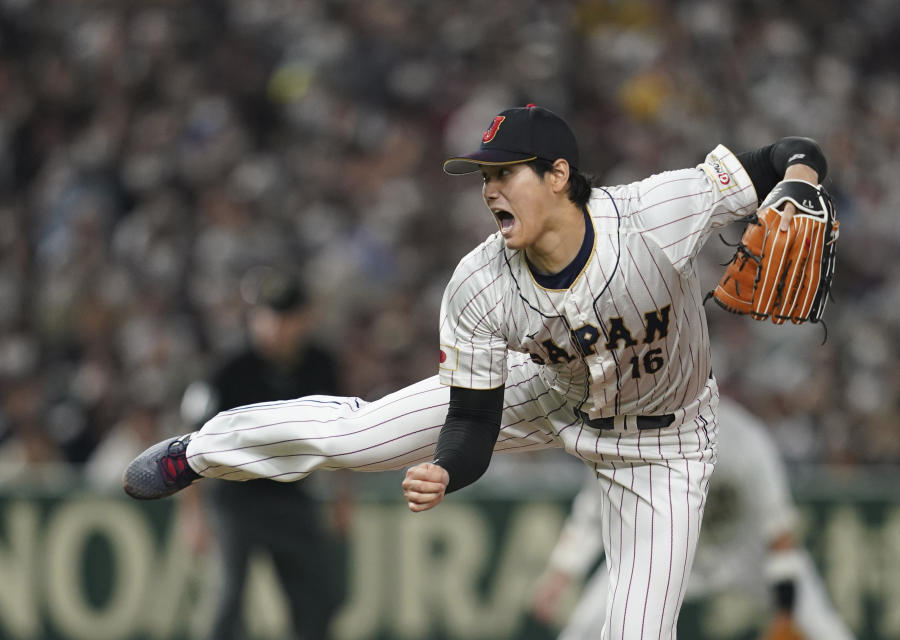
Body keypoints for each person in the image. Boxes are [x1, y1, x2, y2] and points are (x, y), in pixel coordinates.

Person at [123, 104, 830, 639]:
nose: (490, 189)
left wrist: (799, 180)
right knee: (355, 438)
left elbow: (792, 152)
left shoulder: (656, 212)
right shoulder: (478, 283)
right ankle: (203, 450)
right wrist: (448, 471)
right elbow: (470, 421)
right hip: (552, 395)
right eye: (484, 176)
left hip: (665, 448)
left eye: (506, 173)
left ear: (558, 177)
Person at [529, 398, 855, 640]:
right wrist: (560, 575)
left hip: (744, 550)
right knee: (586, 626)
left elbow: (779, 532)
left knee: (824, 627)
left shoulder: (744, 438)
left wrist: (785, 612)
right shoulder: (626, 434)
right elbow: (592, 513)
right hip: (668, 550)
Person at [178, 272, 349, 640]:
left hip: (293, 496)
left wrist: (341, 498)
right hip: (235, 499)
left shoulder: (321, 364)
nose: (276, 326)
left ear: (305, 319)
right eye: (268, 315)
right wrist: (193, 514)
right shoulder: (229, 368)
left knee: (318, 601)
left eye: (285, 316)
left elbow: (345, 434)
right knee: (227, 600)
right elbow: (192, 443)